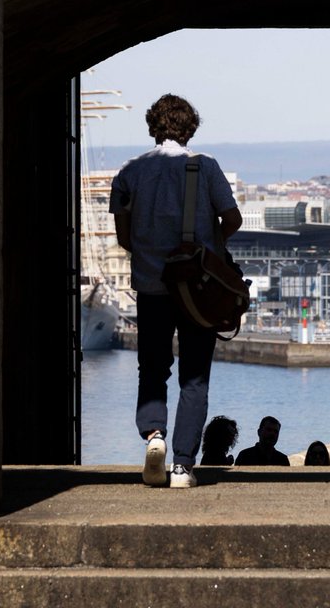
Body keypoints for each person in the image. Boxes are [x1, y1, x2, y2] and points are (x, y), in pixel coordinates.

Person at [111, 94, 242, 489]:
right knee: (195, 376)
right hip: (198, 288)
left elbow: (124, 235)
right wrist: (208, 247)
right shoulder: (206, 168)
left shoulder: (129, 173)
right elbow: (232, 217)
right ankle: (184, 464)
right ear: (191, 128)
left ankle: (155, 435)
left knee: (152, 367)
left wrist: (152, 254)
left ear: (152, 126)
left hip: (152, 288)